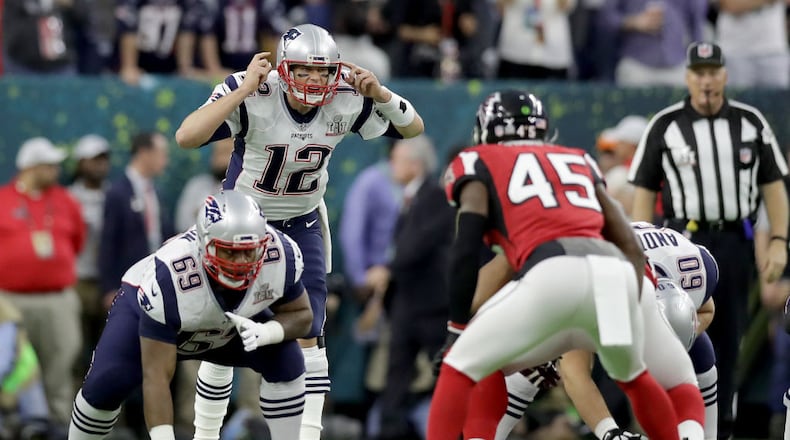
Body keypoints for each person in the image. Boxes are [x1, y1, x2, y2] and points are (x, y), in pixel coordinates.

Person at [175, 23, 425, 439]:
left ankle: (307, 434)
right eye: (304, 71)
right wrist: (240, 90)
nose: (314, 81)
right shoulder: (255, 91)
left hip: (302, 222)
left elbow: (413, 128)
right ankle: (205, 434)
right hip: (245, 224)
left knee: (311, 334)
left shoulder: (347, 96)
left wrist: (380, 93)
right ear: (283, 68)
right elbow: (187, 136)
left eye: (322, 71)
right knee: (220, 334)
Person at [427, 89, 682, 440]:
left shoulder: (477, 160)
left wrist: (456, 327)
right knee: (633, 374)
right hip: (614, 272)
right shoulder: (578, 159)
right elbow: (628, 242)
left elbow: (466, 247)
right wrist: (632, 306)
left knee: (461, 365)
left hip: (552, 270)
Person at [628, 40, 789, 438]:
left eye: (713, 72)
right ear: (687, 77)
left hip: (733, 241)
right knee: (672, 334)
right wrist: (639, 253)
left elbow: (773, 185)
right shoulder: (666, 125)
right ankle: (668, 425)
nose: (706, 81)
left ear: (725, 75)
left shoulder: (750, 123)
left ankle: (722, 428)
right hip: (680, 243)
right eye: (699, 73)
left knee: (729, 339)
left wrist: (779, 240)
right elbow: (644, 191)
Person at [68, 190, 314, 440]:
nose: (241, 262)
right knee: (106, 384)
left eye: (248, 251)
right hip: (151, 312)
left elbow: (302, 315)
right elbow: (156, 377)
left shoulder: (280, 253)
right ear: (204, 244)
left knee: (286, 356)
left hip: (227, 328)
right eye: (229, 251)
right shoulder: (170, 277)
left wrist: (267, 332)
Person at [0, 137, 85, 428]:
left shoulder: (65, 201)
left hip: (57, 299)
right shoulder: (3, 199)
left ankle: (58, 423)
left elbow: (77, 241)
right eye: (49, 165)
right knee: (11, 364)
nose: (56, 170)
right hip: (10, 300)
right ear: (30, 167)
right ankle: (13, 423)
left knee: (61, 360)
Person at [68, 134, 111, 376]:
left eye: (104, 159)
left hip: (107, 285)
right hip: (77, 281)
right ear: (81, 162)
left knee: (109, 354)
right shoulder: (68, 198)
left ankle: (109, 413)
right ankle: (69, 410)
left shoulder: (114, 196)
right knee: (74, 350)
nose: (100, 165)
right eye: (95, 159)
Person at [174, 138, 234, 232]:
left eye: (224, 153)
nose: (218, 159)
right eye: (216, 153)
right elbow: (182, 224)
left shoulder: (246, 189)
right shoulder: (197, 185)